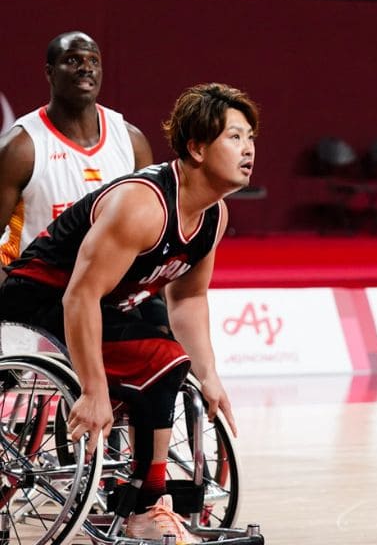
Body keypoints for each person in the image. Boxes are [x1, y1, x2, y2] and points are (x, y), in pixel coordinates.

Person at [0, 83, 258, 542]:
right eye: (234, 137)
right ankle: (145, 508)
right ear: (197, 148)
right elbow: (79, 296)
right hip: (38, 298)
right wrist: (94, 388)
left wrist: (210, 374)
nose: (248, 149)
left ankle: (146, 495)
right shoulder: (143, 205)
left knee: (172, 358)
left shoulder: (212, 216)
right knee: (159, 358)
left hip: (101, 305)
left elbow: (188, 299)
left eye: (251, 137)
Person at [0, 32, 153, 273]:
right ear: (49, 72)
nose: (86, 68)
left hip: (104, 291)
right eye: (73, 60)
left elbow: (150, 232)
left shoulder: (131, 141)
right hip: (33, 294)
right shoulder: (21, 148)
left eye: (93, 61)